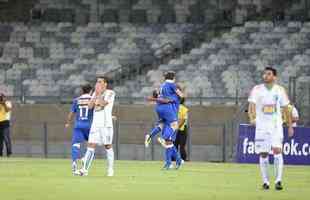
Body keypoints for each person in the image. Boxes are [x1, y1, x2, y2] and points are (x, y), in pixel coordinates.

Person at [248, 67, 294, 191]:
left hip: (276, 126)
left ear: (275, 77)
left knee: (277, 150)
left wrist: (289, 126)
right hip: (261, 126)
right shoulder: (257, 89)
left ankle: (278, 181)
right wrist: (252, 118)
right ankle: (265, 182)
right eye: (264, 74)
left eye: (269, 74)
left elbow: (286, 109)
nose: (266, 76)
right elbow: (251, 105)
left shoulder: (280, 90)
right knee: (263, 153)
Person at [145, 71, 184, 169]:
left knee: (168, 141)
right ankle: (171, 162)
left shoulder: (166, 91)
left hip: (166, 114)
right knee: (169, 140)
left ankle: (173, 162)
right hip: (171, 116)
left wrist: (153, 98)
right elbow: (180, 95)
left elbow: (161, 97)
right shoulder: (174, 93)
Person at [78, 76, 115, 176]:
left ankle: (110, 169)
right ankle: (84, 170)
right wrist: (95, 94)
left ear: (105, 83)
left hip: (106, 125)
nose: (97, 83)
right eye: (97, 82)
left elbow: (103, 104)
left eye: (100, 82)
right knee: (90, 146)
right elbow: (90, 107)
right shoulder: (95, 93)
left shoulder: (110, 93)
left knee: (108, 146)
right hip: (95, 124)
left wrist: (98, 95)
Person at [65, 84, 93, 174]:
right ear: (90, 91)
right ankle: (85, 159)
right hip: (90, 125)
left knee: (76, 144)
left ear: (82, 91)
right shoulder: (92, 100)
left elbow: (71, 113)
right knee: (92, 146)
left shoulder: (76, 100)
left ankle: (74, 162)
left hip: (78, 125)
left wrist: (68, 123)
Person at [174, 97, 189, 161]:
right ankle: (183, 159)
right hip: (182, 129)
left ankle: (174, 159)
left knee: (175, 145)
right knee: (182, 145)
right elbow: (183, 120)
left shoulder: (174, 107)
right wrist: (179, 126)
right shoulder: (184, 109)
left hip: (175, 128)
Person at [0, 93, 12, 157]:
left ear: (5, 97)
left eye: (2, 97)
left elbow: (8, 110)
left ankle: (9, 152)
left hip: (5, 121)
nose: (1, 98)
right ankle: (0, 153)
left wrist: (3, 103)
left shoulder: (8, 102)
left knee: (6, 137)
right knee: (0, 139)